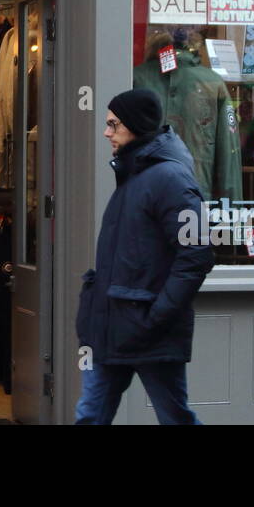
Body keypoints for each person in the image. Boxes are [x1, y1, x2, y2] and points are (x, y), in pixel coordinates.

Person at [74, 89, 215, 424]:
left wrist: (156, 316)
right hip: (109, 327)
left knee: (174, 416)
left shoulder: (170, 178)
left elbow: (196, 254)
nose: (107, 132)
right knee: (90, 416)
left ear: (135, 125)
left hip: (148, 331)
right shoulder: (133, 173)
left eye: (113, 124)